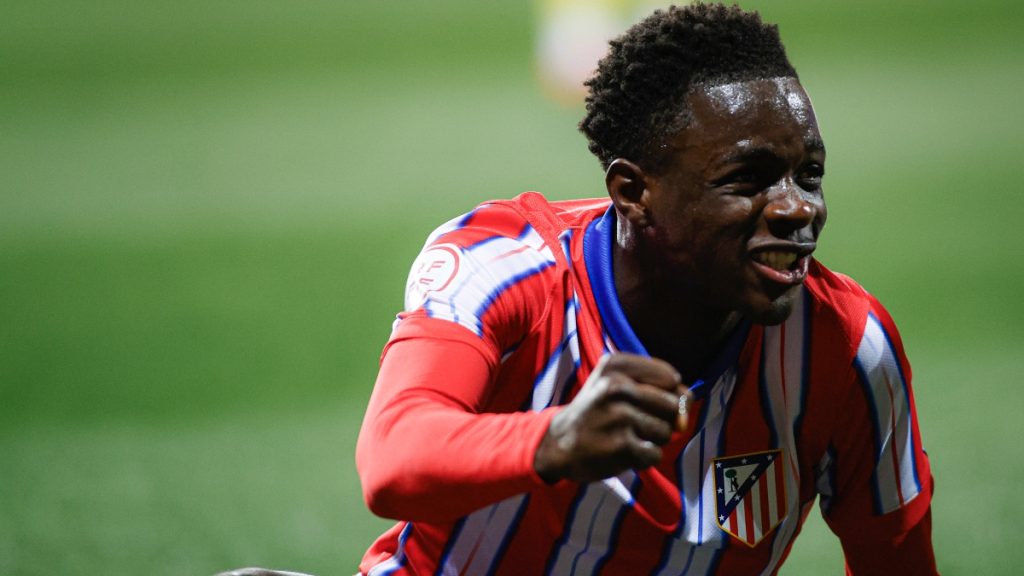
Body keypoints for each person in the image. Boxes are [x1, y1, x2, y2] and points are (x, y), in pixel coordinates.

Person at [355, 3, 937, 575]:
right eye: (746, 179)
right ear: (633, 192)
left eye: (809, 174)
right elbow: (395, 455)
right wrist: (555, 438)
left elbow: (898, 560)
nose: (796, 207)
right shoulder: (505, 266)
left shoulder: (847, 345)